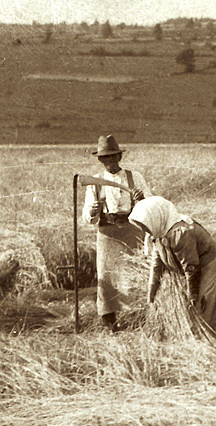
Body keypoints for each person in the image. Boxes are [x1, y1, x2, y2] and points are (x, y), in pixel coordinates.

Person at [129, 196, 216, 348]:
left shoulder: (180, 232)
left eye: (145, 225)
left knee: (205, 308)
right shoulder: (158, 232)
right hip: (195, 269)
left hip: (209, 266)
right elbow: (156, 262)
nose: (145, 230)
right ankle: (208, 345)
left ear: (156, 216)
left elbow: (191, 268)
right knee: (199, 309)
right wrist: (152, 288)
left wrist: (193, 295)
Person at [82, 135, 151, 332]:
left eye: (113, 157)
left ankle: (139, 317)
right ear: (101, 160)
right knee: (107, 277)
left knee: (134, 274)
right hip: (107, 234)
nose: (110, 162)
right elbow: (86, 215)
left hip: (131, 230)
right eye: (106, 158)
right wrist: (93, 212)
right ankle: (110, 323)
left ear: (119, 157)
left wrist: (141, 198)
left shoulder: (134, 177)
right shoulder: (95, 182)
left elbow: (151, 202)